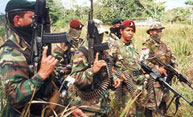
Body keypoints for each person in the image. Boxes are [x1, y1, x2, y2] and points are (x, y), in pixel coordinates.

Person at [0, 0, 86, 116]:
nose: (36, 23)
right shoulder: (11, 52)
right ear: (17, 20)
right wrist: (41, 74)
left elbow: (50, 85)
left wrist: (69, 107)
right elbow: (14, 97)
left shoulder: (31, 45)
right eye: (32, 18)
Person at [69, 19, 120, 116]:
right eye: (99, 34)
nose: (101, 37)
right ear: (91, 35)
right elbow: (74, 78)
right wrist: (93, 70)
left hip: (103, 105)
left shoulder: (102, 51)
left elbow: (107, 69)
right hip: (87, 107)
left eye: (102, 34)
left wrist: (114, 78)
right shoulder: (81, 53)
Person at [141, 22, 178, 115]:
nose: (158, 33)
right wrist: (157, 69)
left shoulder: (164, 45)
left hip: (166, 77)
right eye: (156, 31)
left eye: (160, 31)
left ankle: (162, 114)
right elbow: (143, 62)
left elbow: (172, 58)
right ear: (150, 32)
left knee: (164, 99)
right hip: (154, 78)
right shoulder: (147, 45)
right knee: (151, 102)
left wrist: (175, 68)